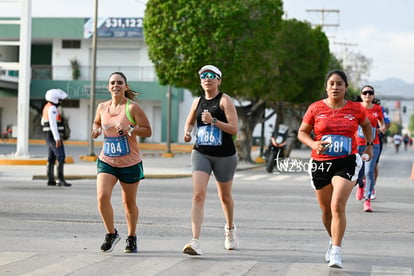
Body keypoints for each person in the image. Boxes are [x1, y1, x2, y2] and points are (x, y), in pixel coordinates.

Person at [297, 70, 373, 269]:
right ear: (326, 87)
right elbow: (302, 132)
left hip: (346, 161)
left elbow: (366, 125)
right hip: (320, 163)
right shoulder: (315, 108)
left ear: (346, 87)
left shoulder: (356, 109)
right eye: (331, 83)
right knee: (325, 210)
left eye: (339, 84)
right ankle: (332, 239)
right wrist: (313, 144)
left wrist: (369, 144)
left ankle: (337, 251)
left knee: (337, 204)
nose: (335, 87)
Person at [91, 72, 152, 253]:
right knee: (102, 197)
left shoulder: (132, 108)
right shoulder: (102, 107)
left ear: (125, 86)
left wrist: (130, 128)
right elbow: (96, 122)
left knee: (129, 204)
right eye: (112, 83)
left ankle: (132, 237)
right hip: (107, 160)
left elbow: (148, 131)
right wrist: (95, 130)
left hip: (129, 162)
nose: (115, 85)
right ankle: (111, 233)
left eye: (119, 83)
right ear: (108, 87)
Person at [182, 65, 239, 255]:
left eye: (211, 76)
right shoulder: (197, 102)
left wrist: (213, 121)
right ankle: (195, 240)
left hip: (225, 155)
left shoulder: (225, 100)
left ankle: (230, 229)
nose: (207, 79)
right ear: (200, 81)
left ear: (219, 80)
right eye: (203, 76)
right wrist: (188, 131)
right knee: (198, 194)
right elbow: (190, 121)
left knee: (225, 197)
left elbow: (234, 129)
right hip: (201, 153)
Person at [354, 85, 386, 212]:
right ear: (361, 95)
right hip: (357, 144)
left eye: (370, 93)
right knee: (359, 172)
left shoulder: (377, 109)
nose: (367, 95)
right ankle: (361, 186)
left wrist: (382, 127)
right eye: (365, 93)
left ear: (373, 95)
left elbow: (381, 122)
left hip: (373, 144)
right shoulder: (356, 108)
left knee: (369, 171)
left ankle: (367, 200)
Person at [41, 88, 72, 187]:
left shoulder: (46, 107)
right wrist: (57, 138)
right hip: (52, 135)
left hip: (48, 135)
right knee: (61, 156)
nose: (60, 101)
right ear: (54, 99)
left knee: (51, 157)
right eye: (59, 99)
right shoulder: (52, 109)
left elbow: (43, 122)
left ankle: (51, 180)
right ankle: (60, 180)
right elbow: (53, 124)